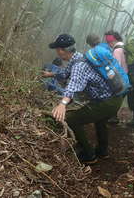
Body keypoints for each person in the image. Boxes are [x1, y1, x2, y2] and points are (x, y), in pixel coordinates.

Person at [43, 34, 123, 164]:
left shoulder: (78, 65)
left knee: (72, 119)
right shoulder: (78, 57)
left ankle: (88, 154)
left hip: (107, 102)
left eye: (57, 49)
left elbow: (73, 84)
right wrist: (50, 74)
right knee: (100, 122)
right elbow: (65, 74)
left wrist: (63, 104)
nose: (57, 52)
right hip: (114, 98)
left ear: (61, 50)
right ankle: (102, 151)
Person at [105, 30, 134, 126]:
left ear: (112, 40)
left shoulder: (117, 50)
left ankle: (113, 117)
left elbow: (116, 68)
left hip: (126, 79)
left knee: (116, 97)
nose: (108, 44)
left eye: (109, 41)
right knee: (132, 98)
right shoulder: (125, 47)